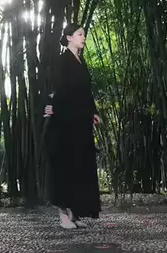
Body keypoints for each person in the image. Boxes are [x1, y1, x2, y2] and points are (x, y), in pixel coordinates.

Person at [43, 23, 102, 229]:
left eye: (84, 34)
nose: (83, 37)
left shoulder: (81, 62)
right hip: (65, 123)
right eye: (79, 34)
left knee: (80, 166)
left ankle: (75, 214)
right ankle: (63, 217)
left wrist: (93, 112)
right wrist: (51, 106)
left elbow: (86, 92)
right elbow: (57, 89)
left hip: (80, 123)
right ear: (69, 37)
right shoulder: (62, 61)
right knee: (65, 167)